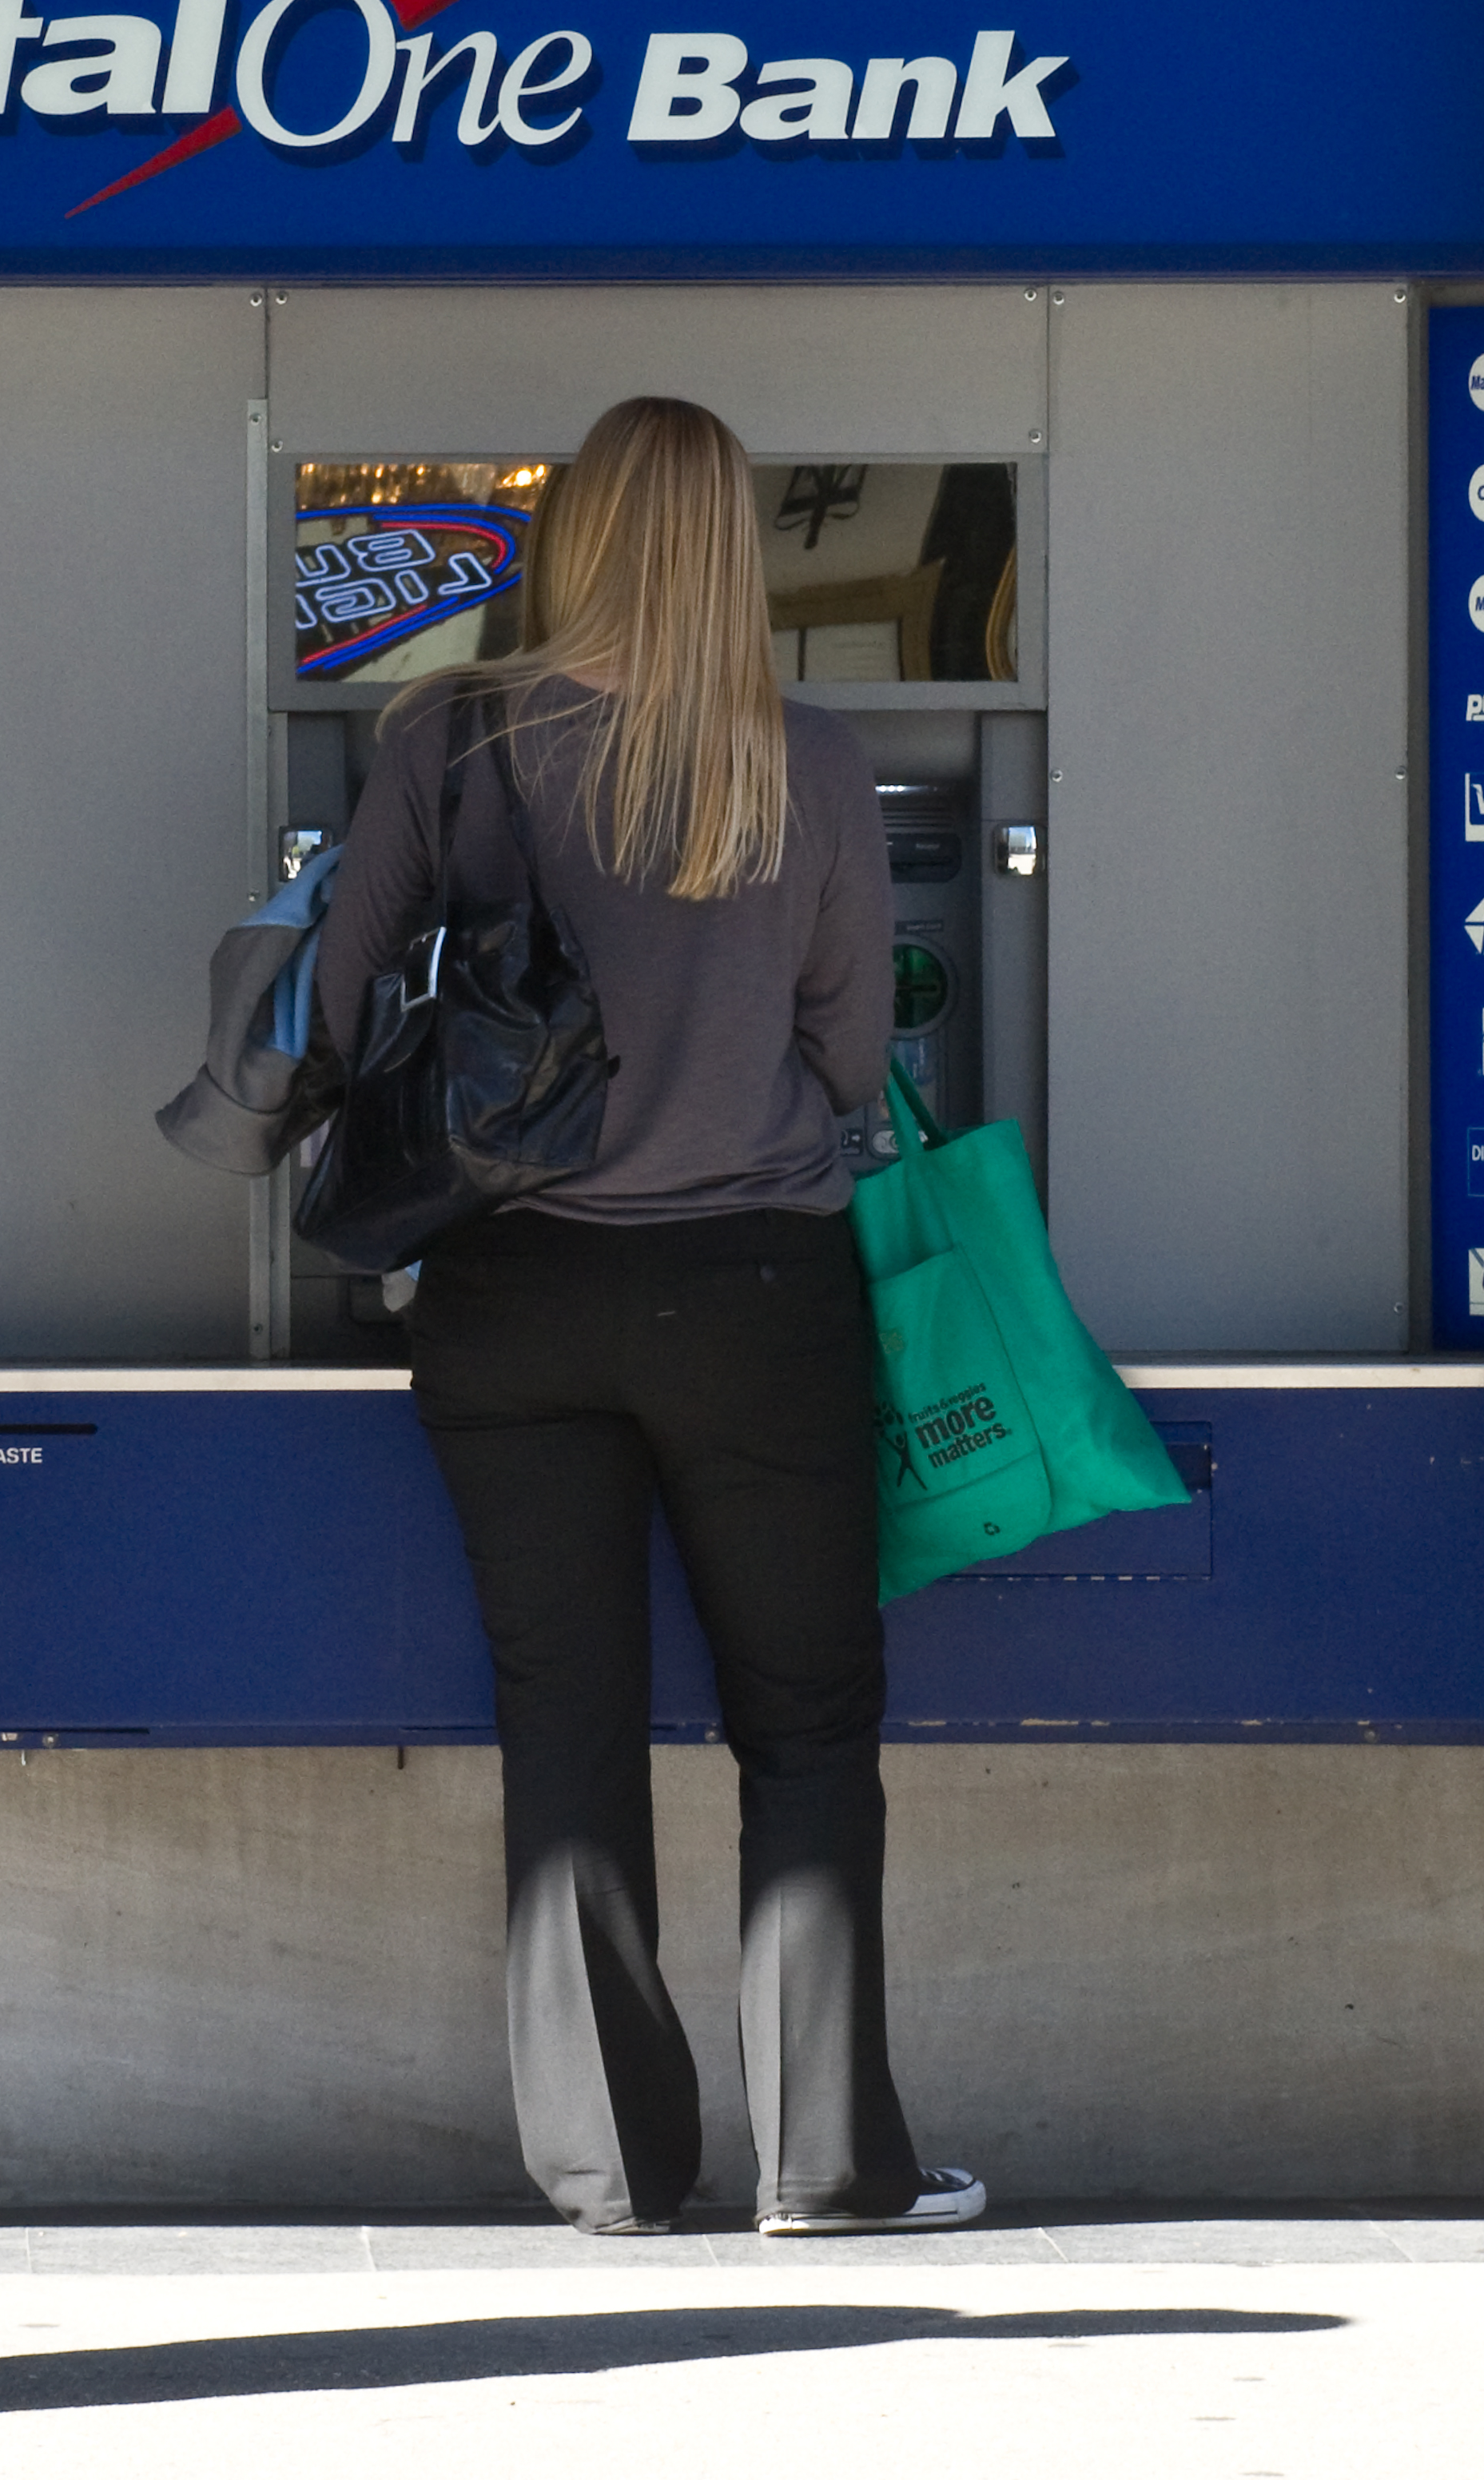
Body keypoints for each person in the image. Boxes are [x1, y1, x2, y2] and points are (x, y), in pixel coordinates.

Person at [309, 394, 985, 2240]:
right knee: (805, 1720)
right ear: (727, 552)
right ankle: (831, 2165)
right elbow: (851, 1045)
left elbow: (340, 990)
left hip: (510, 1298)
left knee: (569, 1724)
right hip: (752, 1289)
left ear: (574, 537)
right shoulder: (807, 762)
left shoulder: (448, 736)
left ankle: (613, 2166)